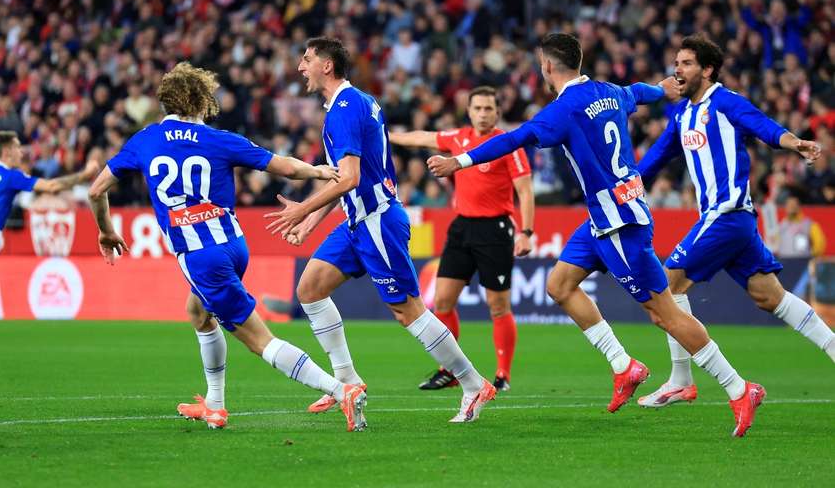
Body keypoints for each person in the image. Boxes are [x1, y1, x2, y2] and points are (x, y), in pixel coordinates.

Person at [428, 33, 766, 438]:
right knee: (559, 283)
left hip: (620, 225)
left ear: (547, 67)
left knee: (664, 314)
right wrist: (661, 89)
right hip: (603, 219)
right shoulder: (608, 91)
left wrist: (459, 161)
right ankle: (624, 366)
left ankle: (738, 388)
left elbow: (514, 138)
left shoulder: (561, 110)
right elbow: (639, 92)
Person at [86, 62, 367, 431]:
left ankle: (341, 389)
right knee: (198, 312)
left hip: (201, 257)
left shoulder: (145, 140)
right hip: (234, 246)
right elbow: (281, 165)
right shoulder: (220, 140)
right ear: (202, 102)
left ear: (166, 101)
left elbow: (96, 190)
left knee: (258, 340)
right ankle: (215, 405)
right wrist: (317, 171)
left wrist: (106, 230)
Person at [264, 37, 496, 424]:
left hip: (376, 221)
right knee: (309, 289)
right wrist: (310, 222)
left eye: (306, 60)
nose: (300, 67)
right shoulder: (359, 102)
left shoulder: (344, 109)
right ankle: (347, 383)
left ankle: (474, 384)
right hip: (357, 220)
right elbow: (346, 177)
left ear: (326, 65)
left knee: (407, 311)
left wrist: (302, 208)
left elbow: (350, 178)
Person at [635, 35, 833, 408]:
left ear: (707, 70)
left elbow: (764, 126)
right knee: (769, 296)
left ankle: (681, 379)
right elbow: (656, 158)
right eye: (676, 63)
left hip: (726, 214)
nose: (677, 70)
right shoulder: (681, 115)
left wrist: (796, 143)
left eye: (687, 63)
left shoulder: (725, 102)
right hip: (735, 223)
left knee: (667, 282)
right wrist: (624, 184)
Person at [389, 86, 534, 391]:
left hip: (495, 230)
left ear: (497, 112)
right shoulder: (458, 138)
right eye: (477, 108)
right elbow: (423, 137)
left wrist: (527, 231)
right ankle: (451, 369)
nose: (483, 113)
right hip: (461, 228)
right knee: (441, 300)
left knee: (497, 305)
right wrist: (385, 136)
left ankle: (503, 375)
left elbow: (525, 190)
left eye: (488, 109)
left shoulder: (508, 144)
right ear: (468, 111)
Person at [0, 131, 99, 371]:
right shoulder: (9, 176)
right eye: (17, 147)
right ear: (6, 152)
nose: (21, 152)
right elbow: (51, 186)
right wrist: (84, 175)